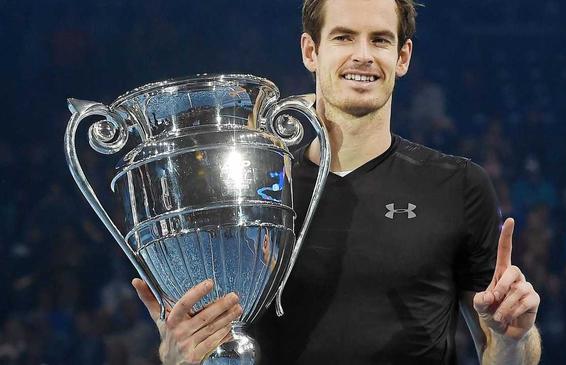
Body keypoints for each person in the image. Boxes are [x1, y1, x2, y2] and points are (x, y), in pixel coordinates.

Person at [132, 0, 542, 363]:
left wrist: (512, 340)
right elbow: (212, 342)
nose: (363, 56)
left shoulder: (458, 186)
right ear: (311, 51)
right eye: (344, 37)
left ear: (403, 57)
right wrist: (178, 355)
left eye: (380, 40)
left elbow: (505, 354)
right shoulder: (248, 191)